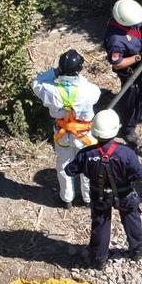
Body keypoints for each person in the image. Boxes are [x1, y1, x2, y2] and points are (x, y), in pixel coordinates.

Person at [64, 110, 142, 270]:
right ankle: (138, 246)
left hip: (99, 195)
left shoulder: (86, 154)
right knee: (131, 215)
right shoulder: (127, 153)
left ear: (95, 131)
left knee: (100, 222)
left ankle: (98, 258)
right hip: (124, 193)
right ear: (116, 129)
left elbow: (70, 171)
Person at [31, 49, 101, 209]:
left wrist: (54, 72)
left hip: (63, 134)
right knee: (87, 167)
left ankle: (67, 198)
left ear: (60, 69)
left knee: (63, 166)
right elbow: (95, 92)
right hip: (84, 135)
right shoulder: (88, 91)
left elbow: (35, 83)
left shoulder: (49, 90)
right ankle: (88, 198)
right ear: (79, 70)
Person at [103, 0, 142, 146]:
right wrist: (138, 57)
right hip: (130, 70)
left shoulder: (130, 14)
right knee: (131, 99)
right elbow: (118, 63)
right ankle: (128, 129)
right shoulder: (116, 39)